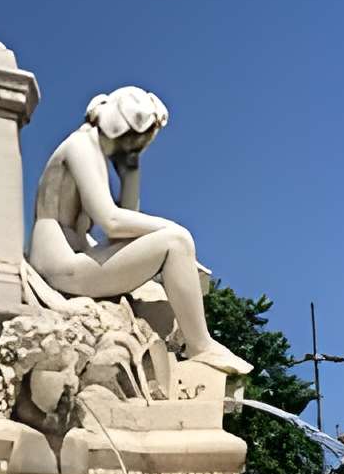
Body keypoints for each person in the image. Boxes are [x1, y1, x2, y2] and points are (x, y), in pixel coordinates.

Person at [28, 87, 250, 376]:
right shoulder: (80, 146)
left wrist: (131, 172)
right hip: (60, 266)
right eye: (141, 140)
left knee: (167, 260)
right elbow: (112, 222)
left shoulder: (92, 149)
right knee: (176, 242)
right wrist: (172, 228)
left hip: (72, 259)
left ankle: (193, 346)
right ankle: (200, 346)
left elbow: (122, 232)